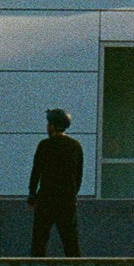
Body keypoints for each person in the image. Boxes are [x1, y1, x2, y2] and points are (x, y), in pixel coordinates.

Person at [28, 108, 84, 257]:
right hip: (67, 200)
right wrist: (73, 195)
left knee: (39, 241)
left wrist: (32, 195)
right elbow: (78, 176)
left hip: (46, 198)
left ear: (52, 126)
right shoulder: (76, 146)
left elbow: (36, 172)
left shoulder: (45, 145)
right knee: (71, 242)